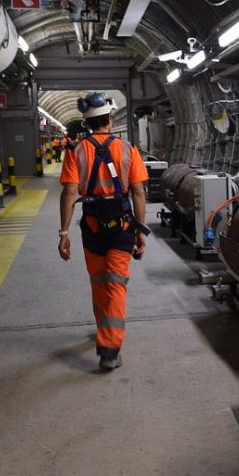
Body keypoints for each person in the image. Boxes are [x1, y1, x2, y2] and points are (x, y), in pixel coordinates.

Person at [58, 92, 149, 370]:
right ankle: (109, 349)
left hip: (92, 227)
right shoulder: (128, 149)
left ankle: (104, 330)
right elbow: (138, 192)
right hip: (122, 227)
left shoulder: (75, 152)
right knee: (115, 284)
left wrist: (63, 234)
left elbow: (70, 192)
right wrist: (141, 233)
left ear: (88, 123)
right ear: (110, 119)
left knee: (99, 282)